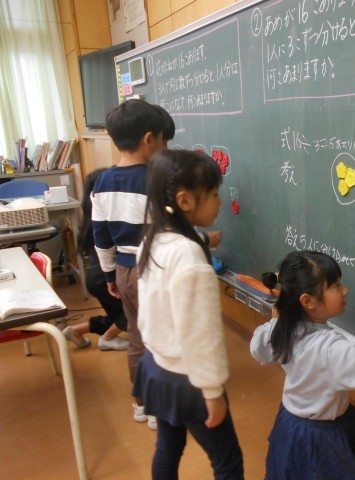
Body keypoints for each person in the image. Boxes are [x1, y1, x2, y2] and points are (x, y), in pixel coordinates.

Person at [132, 149, 244, 479]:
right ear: (184, 201)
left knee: (168, 448)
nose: (220, 202)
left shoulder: (153, 239)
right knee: (228, 461)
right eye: (213, 194)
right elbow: (201, 335)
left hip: (156, 366)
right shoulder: (190, 256)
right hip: (187, 380)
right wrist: (212, 392)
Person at [250, 251, 355, 480]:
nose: (345, 290)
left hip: (296, 418)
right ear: (307, 301)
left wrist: (276, 320)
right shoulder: (329, 350)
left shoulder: (285, 326)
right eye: (335, 286)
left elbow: (257, 348)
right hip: (318, 434)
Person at [92, 98, 170, 430]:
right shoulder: (155, 181)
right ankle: (157, 405)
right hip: (153, 269)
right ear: (149, 139)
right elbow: (166, 231)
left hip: (124, 270)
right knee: (161, 339)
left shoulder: (102, 182)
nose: (165, 148)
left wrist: (110, 273)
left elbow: (100, 236)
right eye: (164, 141)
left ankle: (141, 402)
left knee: (138, 336)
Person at [62, 168, 128, 351]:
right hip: (106, 276)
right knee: (134, 311)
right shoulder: (106, 219)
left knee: (118, 314)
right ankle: (107, 339)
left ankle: (76, 330)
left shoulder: (90, 219)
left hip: (97, 277)